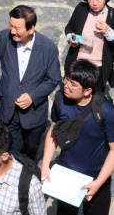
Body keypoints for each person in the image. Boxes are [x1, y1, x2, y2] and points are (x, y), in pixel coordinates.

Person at [42, 60, 114, 215]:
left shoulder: (105, 110)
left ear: (87, 91)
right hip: (67, 177)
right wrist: (45, 165)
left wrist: (98, 183)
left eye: (73, 84)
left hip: (96, 179)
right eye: (66, 79)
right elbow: (53, 131)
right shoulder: (61, 100)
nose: (66, 86)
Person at [0, 4, 61, 158]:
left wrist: (32, 96)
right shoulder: (3, 37)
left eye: (17, 28)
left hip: (33, 112)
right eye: (10, 25)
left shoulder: (48, 48)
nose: (12, 31)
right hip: (7, 107)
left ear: (31, 28)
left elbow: (53, 79)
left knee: (31, 149)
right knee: (8, 148)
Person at [64, 0, 114, 92]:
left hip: (98, 67)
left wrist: (108, 31)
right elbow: (69, 28)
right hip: (78, 63)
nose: (94, 3)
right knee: (73, 94)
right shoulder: (81, 9)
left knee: (94, 99)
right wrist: (70, 38)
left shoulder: (112, 15)